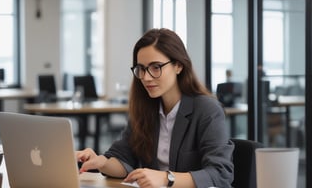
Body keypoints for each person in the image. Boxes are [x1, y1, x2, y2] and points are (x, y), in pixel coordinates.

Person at [76, 28, 234, 188]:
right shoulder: (145, 108)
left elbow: (220, 174)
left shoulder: (207, 110)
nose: (146, 77)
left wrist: (167, 178)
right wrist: (101, 162)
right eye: (142, 69)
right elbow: (124, 158)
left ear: (178, 66)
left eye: (156, 67)